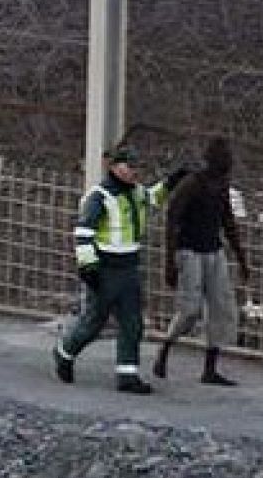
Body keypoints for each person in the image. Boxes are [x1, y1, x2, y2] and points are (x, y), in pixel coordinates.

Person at [52, 145, 185, 394]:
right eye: (129, 166)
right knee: (92, 322)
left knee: (132, 323)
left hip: (129, 267)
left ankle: (127, 375)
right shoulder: (99, 197)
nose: (134, 172)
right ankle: (64, 353)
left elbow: (153, 198)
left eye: (137, 167)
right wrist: (88, 266)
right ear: (114, 167)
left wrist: (171, 182)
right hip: (104, 268)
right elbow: (83, 232)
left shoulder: (135, 193)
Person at [153, 137, 251, 385]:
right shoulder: (192, 185)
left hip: (213, 252)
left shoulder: (220, 186)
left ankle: (210, 368)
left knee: (220, 309)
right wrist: (170, 260)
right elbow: (172, 220)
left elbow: (228, 222)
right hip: (190, 251)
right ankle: (165, 349)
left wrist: (241, 258)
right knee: (189, 310)